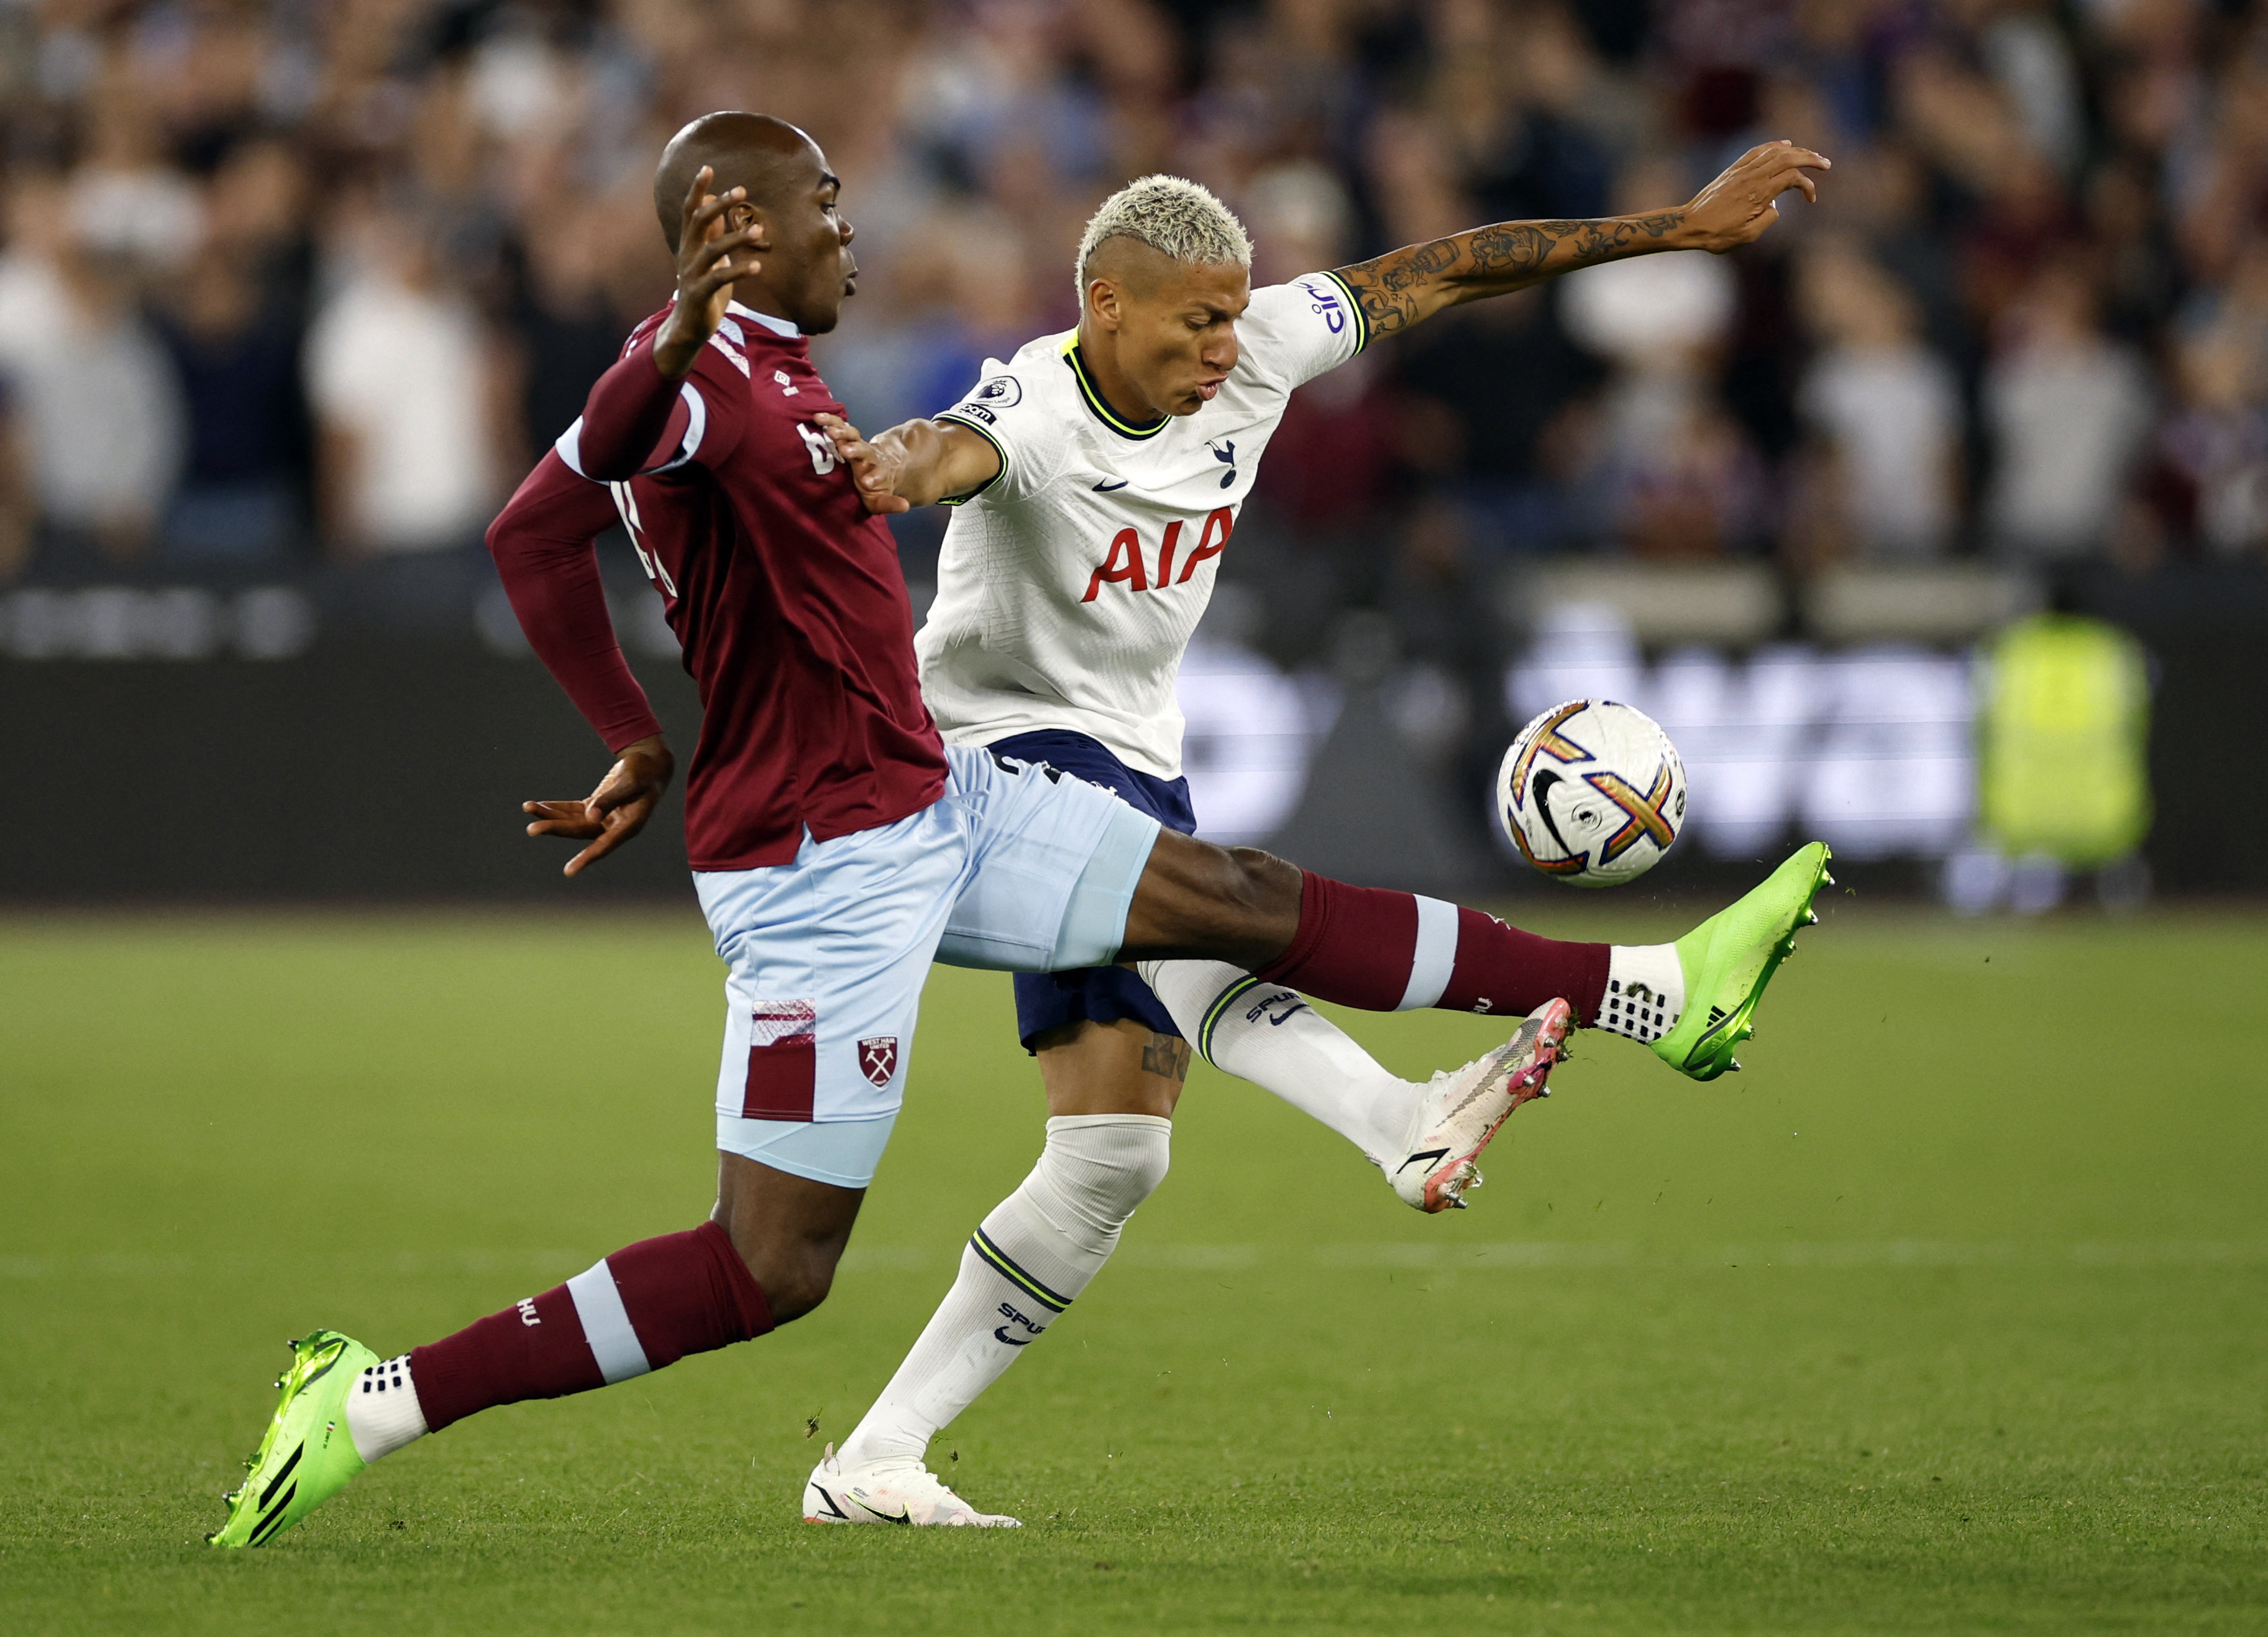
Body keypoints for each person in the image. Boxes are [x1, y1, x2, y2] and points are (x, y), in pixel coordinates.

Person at [208, 113, 1829, 1548]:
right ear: (741, 228)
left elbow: (535, 529)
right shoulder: (702, 375)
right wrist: (804, 421)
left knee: (1227, 912)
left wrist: (629, 729)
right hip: (820, 866)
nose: (858, 226)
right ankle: (370, 1405)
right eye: (826, 206)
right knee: (766, 1269)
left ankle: (1646, 995)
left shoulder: (773, 361)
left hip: (934, 797)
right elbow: (797, 451)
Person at [803, 142, 1834, 1524]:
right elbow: (948, 445)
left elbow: (1453, 266)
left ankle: (871, 1460)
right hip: (989, 758)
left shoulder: (1265, 348)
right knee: (1228, 906)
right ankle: (1601, 1012)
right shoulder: (1038, 408)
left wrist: (1677, 229)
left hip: (1131, 756)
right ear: (1106, 303)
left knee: (1114, 1157)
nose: (1231, 345)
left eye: (1238, 313)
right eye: (1196, 320)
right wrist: (888, 467)